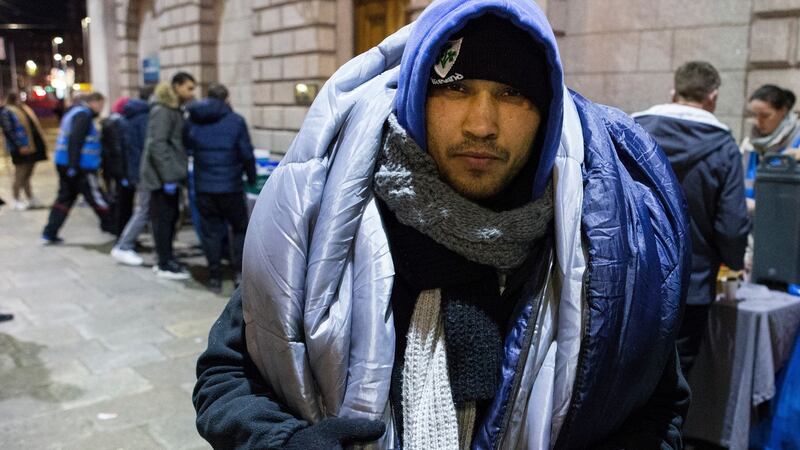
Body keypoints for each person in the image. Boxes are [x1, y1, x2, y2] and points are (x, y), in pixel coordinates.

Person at [193, 2, 692, 449]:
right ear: (416, 97)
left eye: (513, 93)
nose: (481, 124)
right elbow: (227, 375)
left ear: (546, 115)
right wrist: (282, 442)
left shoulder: (603, 246)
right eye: (455, 89)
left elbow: (655, 405)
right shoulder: (322, 219)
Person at [634, 61, 751, 376]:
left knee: (624, 372)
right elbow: (731, 223)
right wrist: (734, 261)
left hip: (631, 273)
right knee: (674, 376)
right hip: (692, 282)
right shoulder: (723, 146)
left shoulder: (632, 129)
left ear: (673, 93)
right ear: (712, 98)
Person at [184, 83, 255, 293]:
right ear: (226, 99)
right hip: (231, 185)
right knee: (240, 229)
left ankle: (215, 276)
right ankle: (239, 274)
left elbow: (187, 146)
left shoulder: (194, 121)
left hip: (204, 186)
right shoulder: (236, 121)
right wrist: (250, 178)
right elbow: (246, 153)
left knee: (211, 232)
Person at [139, 72, 196, 279]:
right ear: (177, 86)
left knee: (170, 218)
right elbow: (157, 145)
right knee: (163, 219)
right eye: (189, 88)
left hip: (168, 174)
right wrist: (168, 177)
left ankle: (167, 257)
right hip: (161, 178)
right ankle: (164, 263)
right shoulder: (163, 110)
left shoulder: (174, 109)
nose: (192, 93)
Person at [42, 92, 113, 244]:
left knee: (65, 199)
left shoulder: (72, 112)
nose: (101, 108)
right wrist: (74, 166)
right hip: (81, 166)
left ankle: (49, 232)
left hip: (64, 163)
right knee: (97, 197)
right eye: (100, 105)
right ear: (93, 102)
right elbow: (75, 140)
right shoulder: (83, 115)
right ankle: (112, 226)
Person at [110, 86, 153, 265]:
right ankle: (124, 246)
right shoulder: (144, 119)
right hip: (144, 172)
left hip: (136, 171)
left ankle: (125, 244)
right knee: (144, 209)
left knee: (144, 209)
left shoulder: (132, 116)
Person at [741, 85, 799, 199]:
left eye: (765, 116)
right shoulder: (748, 145)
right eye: (753, 115)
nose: (758, 122)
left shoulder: (797, 140)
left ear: (783, 111)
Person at [0, 92, 48, 210]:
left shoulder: (23, 109)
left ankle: (30, 197)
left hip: (32, 146)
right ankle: (15, 198)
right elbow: (9, 131)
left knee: (27, 174)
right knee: (20, 173)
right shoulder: (7, 111)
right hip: (20, 148)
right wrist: (19, 145)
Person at [100, 96, 133, 235]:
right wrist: (124, 174)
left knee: (114, 197)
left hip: (111, 169)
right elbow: (118, 150)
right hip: (118, 170)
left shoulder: (110, 121)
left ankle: (114, 224)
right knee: (120, 200)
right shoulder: (117, 124)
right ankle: (117, 227)